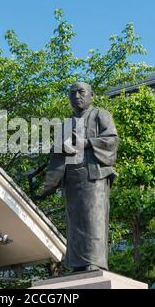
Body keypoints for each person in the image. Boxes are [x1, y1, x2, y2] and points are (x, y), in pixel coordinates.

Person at [37, 82, 119, 271]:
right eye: (72, 93)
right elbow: (57, 155)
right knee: (74, 223)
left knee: (93, 219)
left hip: (94, 176)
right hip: (72, 180)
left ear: (91, 95)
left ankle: (94, 262)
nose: (77, 97)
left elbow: (111, 140)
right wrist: (48, 185)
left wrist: (87, 143)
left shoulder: (100, 114)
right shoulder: (66, 124)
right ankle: (77, 264)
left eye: (81, 92)